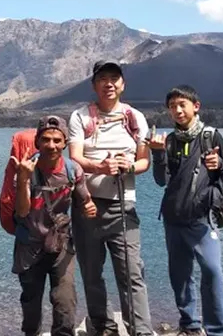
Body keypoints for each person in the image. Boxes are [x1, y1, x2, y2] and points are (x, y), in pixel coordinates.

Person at [68, 59, 153, 336]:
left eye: (114, 78)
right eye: (103, 79)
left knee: (131, 272)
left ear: (123, 84)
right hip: (87, 204)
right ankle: (103, 327)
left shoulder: (135, 118)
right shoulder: (80, 117)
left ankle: (140, 329)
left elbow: (143, 163)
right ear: (94, 85)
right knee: (92, 273)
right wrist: (101, 167)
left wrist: (127, 167)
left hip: (123, 205)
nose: (109, 84)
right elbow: (75, 160)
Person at [146, 85, 223, 336]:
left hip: (203, 218)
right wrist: (158, 154)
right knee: (180, 276)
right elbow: (162, 180)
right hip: (173, 219)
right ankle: (190, 325)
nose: (177, 110)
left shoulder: (210, 136)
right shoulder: (169, 141)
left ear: (196, 106)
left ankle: (218, 330)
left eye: (182, 104)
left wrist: (218, 166)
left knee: (212, 271)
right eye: (172, 106)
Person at [8, 116, 98, 336]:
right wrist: (23, 181)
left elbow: (84, 200)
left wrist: (89, 207)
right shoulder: (25, 169)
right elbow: (21, 211)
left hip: (61, 244)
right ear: (37, 142)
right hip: (30, 245)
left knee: (65, 299)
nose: (51, 145)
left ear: (65, 142)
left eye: (57, 140)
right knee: (31, 302)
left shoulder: (72, 170)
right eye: (46, 140)